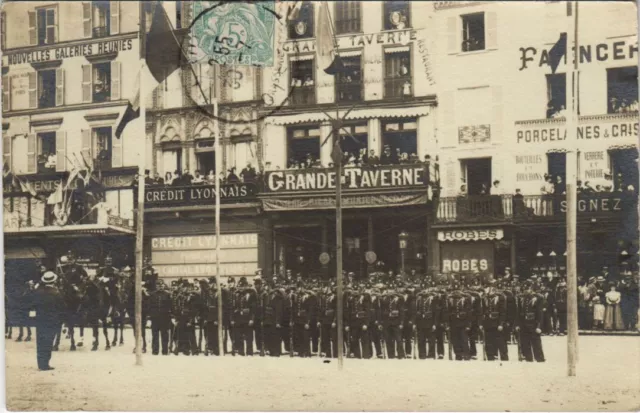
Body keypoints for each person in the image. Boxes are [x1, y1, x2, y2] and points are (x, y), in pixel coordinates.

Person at [33, 271, 65, 371]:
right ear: (54, 281)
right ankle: (45, 364)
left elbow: (34, 305)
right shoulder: (56, 293)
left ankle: (40, 363)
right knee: (48, 342)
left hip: (40, 320)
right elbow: (62, 307)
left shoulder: (39, 292)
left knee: (40, 341)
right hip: (52, 321)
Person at [516, 281, 545, 362]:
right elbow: (519, 313)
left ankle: (539, 359)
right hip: (524, 324)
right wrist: (517, 324)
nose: (526, 291)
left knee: (536, 344)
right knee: (525, 344)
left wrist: (539, 326)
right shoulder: (521, 298)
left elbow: (540, 314)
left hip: (533, 324)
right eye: (524, 289)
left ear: (531, 289)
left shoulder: (537, 298)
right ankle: (529, 359)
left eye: (527, 289)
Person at [149, 280, 173, 355]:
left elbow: (171, 306)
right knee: (155, 335)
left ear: (164, 286)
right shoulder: (152, 295)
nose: (160, 286)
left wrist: (171, 316)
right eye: (158, 285)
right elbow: (149, 306)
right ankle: (155, 350)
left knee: (165, 335)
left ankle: (165, 351)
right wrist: (150, 316)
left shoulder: (167, 295)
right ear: (156, 286)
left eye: (161, 285)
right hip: (155, 318)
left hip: (165, 318)